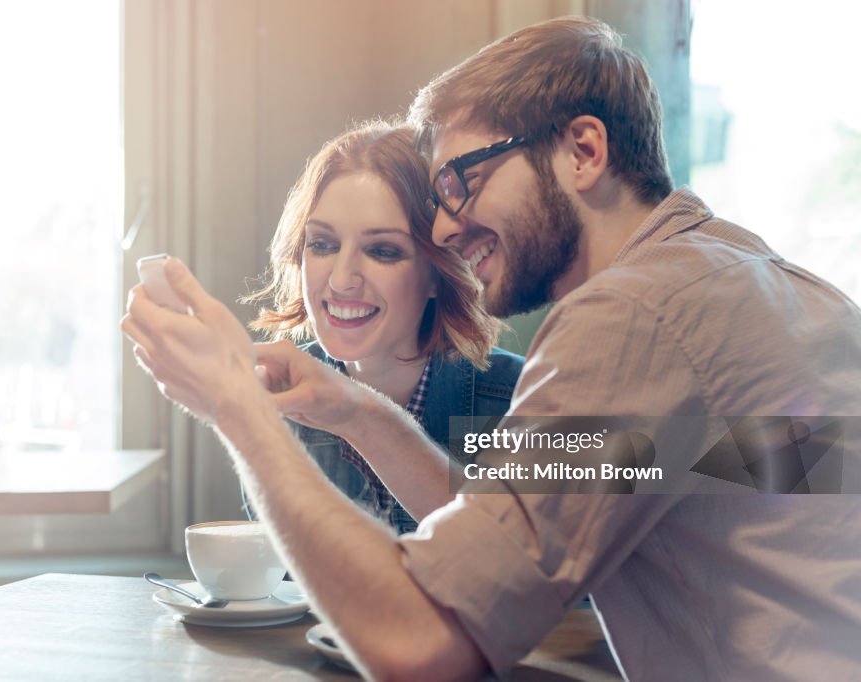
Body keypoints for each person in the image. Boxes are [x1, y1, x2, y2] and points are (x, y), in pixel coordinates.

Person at [122, 15, 861, 681]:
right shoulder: (751, 287)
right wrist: (357, 412)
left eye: (463, 180)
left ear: (583, 150)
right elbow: (513, 534)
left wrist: (235, 405)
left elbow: (424, 646)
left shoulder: (631, 314)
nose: (445, 229)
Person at [240, 120, 523, 535]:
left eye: (383, 251)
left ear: (437, 272)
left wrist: (360, 418)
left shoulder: (526, 400)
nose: (341, 280)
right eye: (322, 244)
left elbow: (534, 569)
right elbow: (280, 583)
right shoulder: (276, 404)